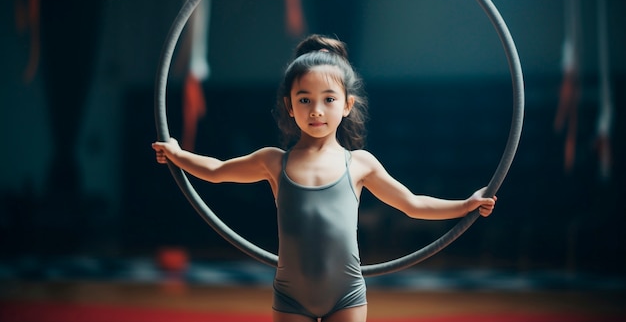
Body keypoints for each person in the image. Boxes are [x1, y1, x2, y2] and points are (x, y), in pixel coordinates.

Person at [152, 34, 497, 322]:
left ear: (346, 105)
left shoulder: (360, 164)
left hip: (345, 295)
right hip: (290, 297)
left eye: (328, 99)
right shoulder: (272, 162)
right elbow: (216, 171)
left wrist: (466, 204)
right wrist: (178, 154)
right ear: (289, 105)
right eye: (305, 99)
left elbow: (413, 204)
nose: (316, 109)